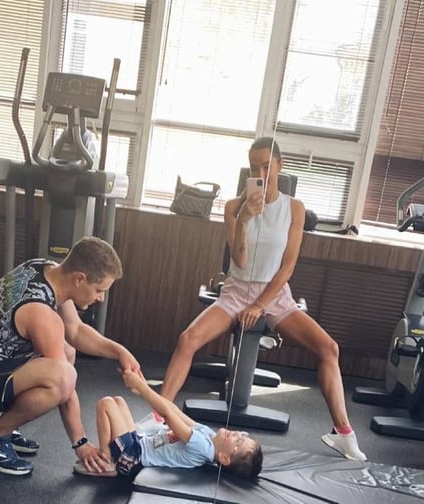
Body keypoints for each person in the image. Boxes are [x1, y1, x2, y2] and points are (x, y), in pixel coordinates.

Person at [142, 137, 366, 461]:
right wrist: (245, 219)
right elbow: (240, 260)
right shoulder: (234, 207)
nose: (260, 173)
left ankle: (343, 434)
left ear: (280, 165)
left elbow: (288, 266)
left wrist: (260, 305)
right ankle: (158, 417)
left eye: (266, 166)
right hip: (237, 290)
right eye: (253, 167)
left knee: (329, 348)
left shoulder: (294, 208)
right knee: (188, 339)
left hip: (275, 294)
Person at [0, 236, 141, 477]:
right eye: (99, 290)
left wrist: (119, 351)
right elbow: (63, 383)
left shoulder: (45, 269)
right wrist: (80, 443)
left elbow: (76, 330)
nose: (101, 298)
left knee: (66, 351)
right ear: (79, 278)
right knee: (62, 377)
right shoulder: (41, 314)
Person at [75, 368, 263, 480]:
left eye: (238, 442)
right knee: (118, 401)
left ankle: (107, 460)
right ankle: (109, 456)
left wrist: (142, 387)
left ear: (224, 458)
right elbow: (174, 410)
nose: (237, 434)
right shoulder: (208, 435)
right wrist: (142, 386)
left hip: (133, 457)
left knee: (106, 404)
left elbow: (168, 415)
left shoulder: (203, 447)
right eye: (242, 435)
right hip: (139, 441)